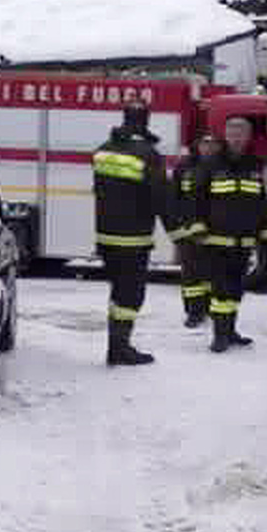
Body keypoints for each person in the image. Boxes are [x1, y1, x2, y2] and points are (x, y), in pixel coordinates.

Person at [91, 101, 173, 366]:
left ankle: (117, 347)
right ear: (145, 121)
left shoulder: (103, 150)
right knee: (130, 295)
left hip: (106, 237)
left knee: (118, 293)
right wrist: (180, 232)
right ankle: (119, 349)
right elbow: (161, 197)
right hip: (133, 239)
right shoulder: (148, 154)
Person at [197, 116, 267, 353]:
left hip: (245, 238)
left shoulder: (256, 164)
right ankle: (219, 335)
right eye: (232, 133)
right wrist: (197, 227)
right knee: (220, 289)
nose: (237, 137)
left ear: (248, 137)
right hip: (216, 238)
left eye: (241, 133)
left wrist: (265, 227)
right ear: (225, 136)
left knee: (236, 288)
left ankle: (231, 330)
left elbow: (261, 200)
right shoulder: (211, 164)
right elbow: (196, 198)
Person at [171, 134, 222, 329]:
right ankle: (193, 312)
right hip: (187, 228)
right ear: (197, 145)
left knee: (211, 272)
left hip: (214, 228)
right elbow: (173, 197)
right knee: (191, 274)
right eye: (204, 144)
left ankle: (208, 308)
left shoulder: (222, 167)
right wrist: (178, 226)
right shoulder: (184, 167)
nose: (208, 148)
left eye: (212, 144)